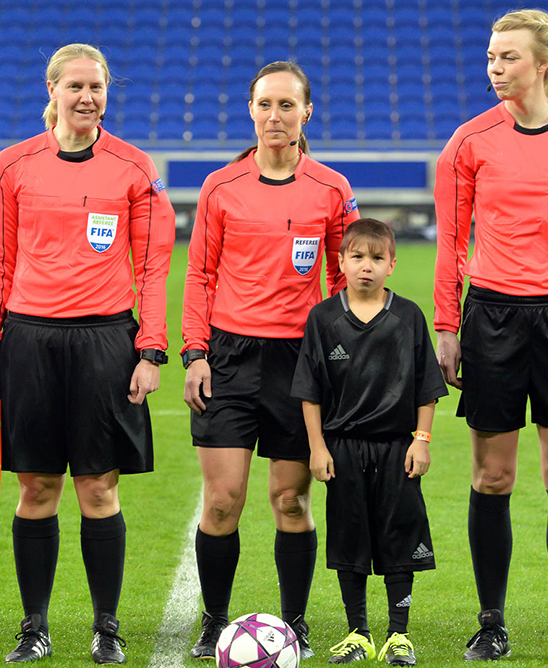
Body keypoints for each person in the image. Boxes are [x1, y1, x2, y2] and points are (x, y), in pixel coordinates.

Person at [0, 43, 175, 665]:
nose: (87, 98)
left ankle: (105, 627)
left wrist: (151, 350)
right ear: (53, 89)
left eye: (97, 87)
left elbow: (153, 269)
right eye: (76, 86)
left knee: (99, 488)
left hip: (106, 342)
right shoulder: (13, 166)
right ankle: (35, 626)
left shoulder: (135, 168)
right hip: (28, 339)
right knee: (36, 488)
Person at [432, 9, 548, 662]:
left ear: (545, 64)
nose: (494, 67)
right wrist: (448, 326)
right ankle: (492, 624)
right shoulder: (469, 141)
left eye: (507, 57)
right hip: (492, 319)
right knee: (493, 476)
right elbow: (451, 243)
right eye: (490, 57)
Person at [181, 60, 360, 661]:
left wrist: (344, 355)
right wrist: (195, 353)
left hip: (300, 361)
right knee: (223, 499)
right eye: (265, 104)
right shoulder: (221, 186)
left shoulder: (332, 189)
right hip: (229, 357)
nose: (275, 116)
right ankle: (213, 621)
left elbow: (346, 279)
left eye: (287, 105)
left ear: (307, 112)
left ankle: (295, 621)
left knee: (291, 499)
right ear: (250, 110)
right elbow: (200, 275)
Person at [291, 219, 448, 666]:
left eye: (377, 259)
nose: (366, 267)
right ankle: (357, 633)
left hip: (397, 449)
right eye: (357, 257)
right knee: (349, 538)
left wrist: (422, 440)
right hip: (342, 450)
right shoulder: (323, 318)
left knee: (400, 538)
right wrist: (317, 448)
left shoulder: (409, 317)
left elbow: (425, 388)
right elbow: (309, 391)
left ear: (392, 265)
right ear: (339, 262)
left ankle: (398, 636)